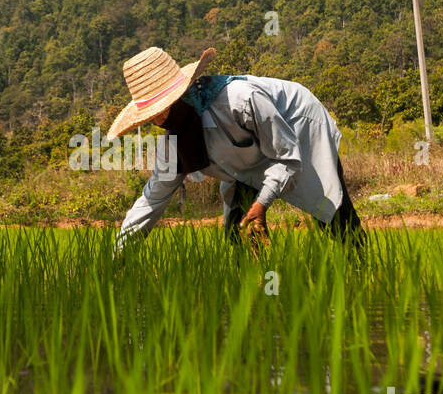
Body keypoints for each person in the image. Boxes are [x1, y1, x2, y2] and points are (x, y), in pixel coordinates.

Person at [108, 46, 364, 252]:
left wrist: (262, 203)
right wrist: (116, 256)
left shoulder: (240, 101)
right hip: (247, 159)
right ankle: (257, 290)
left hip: (296, 126)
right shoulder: (174, 142)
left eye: (161, 109)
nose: (157, 120)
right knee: (237, 228)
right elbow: (151, 201)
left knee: (328, 209)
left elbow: (286, 157)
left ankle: (361, 267)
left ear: (181, 95)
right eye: (151, 116)